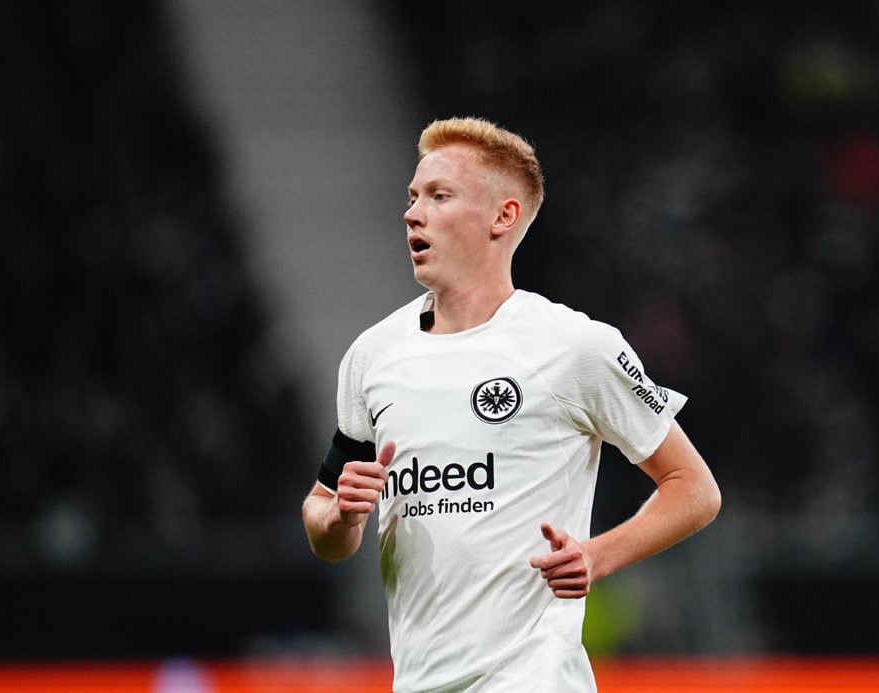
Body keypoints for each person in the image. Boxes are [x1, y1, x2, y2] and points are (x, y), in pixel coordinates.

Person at [302, 117, 721, 692]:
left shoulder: (575, 346)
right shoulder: (373, 356)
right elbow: (324, 519)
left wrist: (597, 556)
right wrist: (342, 516)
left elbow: (694, 488)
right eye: (412, 196)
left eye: (439, 196)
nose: (413, 212)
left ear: (504, 216)